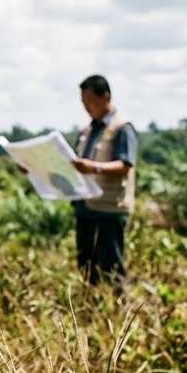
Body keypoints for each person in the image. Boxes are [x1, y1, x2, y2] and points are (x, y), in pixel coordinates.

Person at [70, 74, 137, 286]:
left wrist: (94, 167)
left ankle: (117, 313)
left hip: (109, 209)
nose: (87, 107)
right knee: (86, 265)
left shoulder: (122, 128)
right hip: (86, 206)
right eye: (83, 103)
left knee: (111, 267)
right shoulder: (87, 131)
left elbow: (125, 165)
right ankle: (92, 312)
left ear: (105, 97)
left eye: (90, 102)